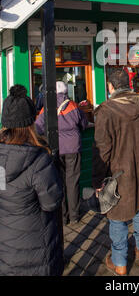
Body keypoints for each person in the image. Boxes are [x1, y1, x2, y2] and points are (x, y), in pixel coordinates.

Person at [92, 68, 139, 276]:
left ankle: (120, 263)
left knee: (117, 216)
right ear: (128, 85)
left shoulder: (106, 110)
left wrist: (97, 180)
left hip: (117, 173)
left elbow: (102, 149)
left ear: (111, 87)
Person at [0, 85, 64, 276]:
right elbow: (51, 202)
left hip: (5, 248)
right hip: (36, 247)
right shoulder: (39, 159)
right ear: (31, 122)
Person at [35, 81, 88, 225]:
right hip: (73, 148)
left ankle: (63, 217)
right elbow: (83, 124)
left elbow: (37, 128)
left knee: (60, 182)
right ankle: (75, 215)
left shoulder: (47, 108)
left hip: (56, 149)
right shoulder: (73, 106)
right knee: (73, 182)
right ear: (65, 92)